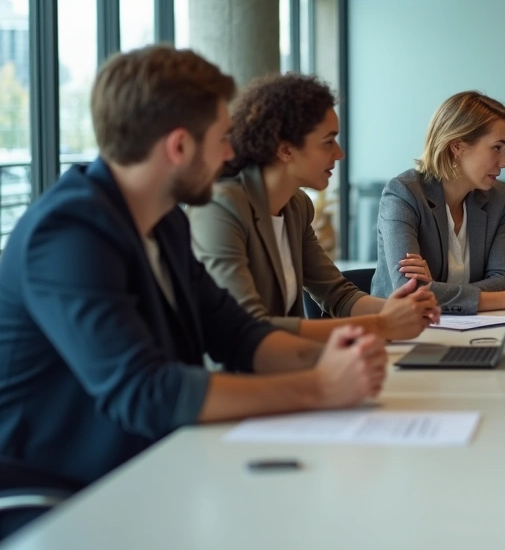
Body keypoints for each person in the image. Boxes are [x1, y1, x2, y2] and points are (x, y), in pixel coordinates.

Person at [0, 47, 388, 500]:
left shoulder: (165, 221)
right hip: (63, 497)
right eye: (222, 138)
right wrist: (319, 387)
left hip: (152, 467)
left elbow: (238, 334)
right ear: (179, 146)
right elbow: (147, 392)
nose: (231, 152)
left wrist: (339, 359)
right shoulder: (68, 235)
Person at [187, 73, 437, 342]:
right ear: (285, 150)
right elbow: (245, 326)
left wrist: (400, 310)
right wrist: (381, 324)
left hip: (285, 362)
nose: (339, 154)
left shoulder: (296, 207)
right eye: (328, 142)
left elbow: (337, 295)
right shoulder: (219, 208)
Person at [370, 91, 505, 314]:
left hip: (478, 326)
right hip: (404, 327)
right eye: (497, 147)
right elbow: (409, 291)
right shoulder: (404, 193)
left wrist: (435, 288)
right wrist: (500, 299)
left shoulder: (498, 197)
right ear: (457, 146)